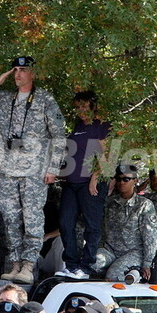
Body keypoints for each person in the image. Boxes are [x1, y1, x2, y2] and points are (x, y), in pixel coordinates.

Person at [0, 56, 66, 285]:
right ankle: (14, 264)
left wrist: (53, 168)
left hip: (34, 169)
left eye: (23, 70)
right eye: (15, 70)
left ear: (33, 73)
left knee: (32, 217)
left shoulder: (44, 99)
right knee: (10, 216)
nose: (17, 74)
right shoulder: (4, 99)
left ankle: (29, 264)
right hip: (8, 168)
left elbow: (59, 135)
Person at [56, 90, 111, 279]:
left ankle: (86, 267)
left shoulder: (101, 126)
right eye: (78, 107)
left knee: (92, 225)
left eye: (85, 106)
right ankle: (71, 264)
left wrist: (95, 177)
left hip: (91, 182)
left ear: (93, 106)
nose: (81, 110)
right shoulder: (78, 126)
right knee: (65, 222)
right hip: (72, 182)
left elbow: (106, 157)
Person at [92, 164, 157, 281]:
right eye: (119, 179)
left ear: (135, 181)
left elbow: (150, 237)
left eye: (126, 179)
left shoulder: (144, 205)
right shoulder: (110, 202)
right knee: (90, 265)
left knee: (113, 275)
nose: (122, 182)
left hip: (133, 252)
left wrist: (147, 263)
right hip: (109, 250)